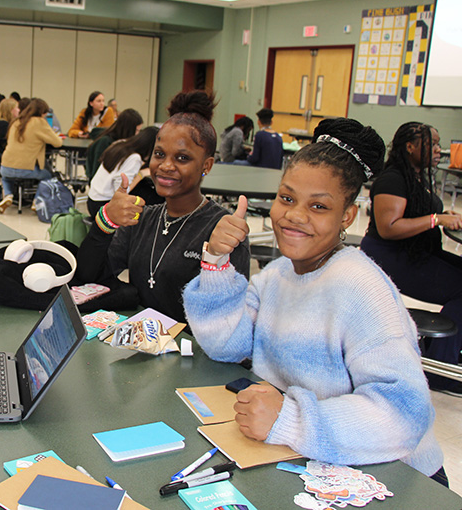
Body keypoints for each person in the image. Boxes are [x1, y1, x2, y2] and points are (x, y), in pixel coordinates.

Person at [182, 118, 446, 485]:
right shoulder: (276, 275)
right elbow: (228, 345)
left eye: (319, 207)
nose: (294, 215)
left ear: (347, 217)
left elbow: (405, 414)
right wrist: (216, 262)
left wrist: (290, 419)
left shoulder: (362, 288)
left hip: (396, 478)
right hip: (312, 458)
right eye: (286, 198)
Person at [75, 90, 250, 322]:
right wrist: (106, 221)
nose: (166, 166)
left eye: (182, 158)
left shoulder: (221, 229)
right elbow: (87, 279)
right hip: (142, 344)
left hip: (193, 351)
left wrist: (216, 258)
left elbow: (229, 318)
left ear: (206, 165)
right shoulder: (143, 219)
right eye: (159, 154)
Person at [361, 122, 462, 395]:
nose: (439, 151)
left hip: (417, 253)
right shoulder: (393, 179)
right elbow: (389, 228)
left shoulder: (418, 177)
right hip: (391, 258)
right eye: (433, 144)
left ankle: (445, 351)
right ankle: (441, 370)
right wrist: (437, 219)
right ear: (410, 147)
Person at [0, 98, 62, 213]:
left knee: (6, 178)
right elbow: (57, 143)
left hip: (5, 167)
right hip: (26, 169)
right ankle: (36, 201)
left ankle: (8, 195)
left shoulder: (16, 121)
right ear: (42, 112)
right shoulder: (39, 122)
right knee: (48, 176)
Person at [87, 126, 158, 218]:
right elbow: (121, 192)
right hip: (103, 207)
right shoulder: (134, 158)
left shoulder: (120, 144)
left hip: (92, 200)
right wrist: (142, 174)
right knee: (153, 199)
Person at [84, 108, 144, 181]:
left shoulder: (121, 142)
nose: (137, 134)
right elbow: (96, 174)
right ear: (128, 129)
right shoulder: (104, 142)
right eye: (137, 130)